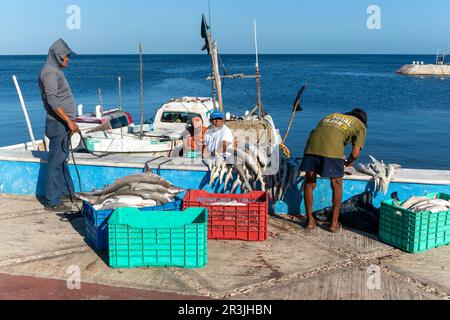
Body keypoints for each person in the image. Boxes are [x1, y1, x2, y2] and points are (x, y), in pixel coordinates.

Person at [300, 108, 368, 233]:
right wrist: (347, 163)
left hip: (311, 147)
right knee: (336, 183)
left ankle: (310, 221)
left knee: (310, 182)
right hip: (332, 149)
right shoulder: (360, 125)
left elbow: (317, 132)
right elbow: (355, 153)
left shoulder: (332, 115)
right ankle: (334, 224)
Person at [39, 39, 79, 212]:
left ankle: (67, 193)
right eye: (67, 56)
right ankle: (53, 202)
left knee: (62, 160)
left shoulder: (54, 71)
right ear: (58, 55)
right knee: (56, 162)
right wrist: (69, 121)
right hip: (58, 124)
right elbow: (52, 100)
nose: (68, 59)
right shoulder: (49, 73)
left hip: (62, 124)